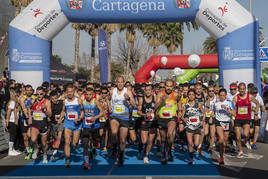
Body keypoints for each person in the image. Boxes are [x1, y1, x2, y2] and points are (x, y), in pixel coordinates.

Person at [109, 76, 135, 166]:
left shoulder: (127, 91)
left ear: (124, 83)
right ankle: (114, 147)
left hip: (124, 117)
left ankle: (120, 155)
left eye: (121, 82)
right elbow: (108, 100)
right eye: (118, 82)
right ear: (116, 83)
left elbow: (134, 105)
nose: (120, 83)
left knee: (123, 140)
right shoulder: (112, 91)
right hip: (114, 116)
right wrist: (108, 107)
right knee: (113, 132)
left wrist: (128, 99)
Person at [25, 86, 52, 164]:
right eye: (37, 94)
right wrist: (30, 117)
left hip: (44, 124)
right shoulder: (33, 101)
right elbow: (29, 108)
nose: (39, 95)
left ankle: (44, 155)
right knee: (33, 139)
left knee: (44, 143)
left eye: (41, 94)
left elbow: (50, 114)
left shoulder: (47, 102)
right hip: (35, 124)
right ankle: (36, 149)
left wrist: (44, 110)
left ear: (44, 94)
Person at [155, 79, 179, 165]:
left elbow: (179, 104)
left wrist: (179, 112)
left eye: (170, 86)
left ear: (173, 87)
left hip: (172, 118)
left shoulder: (176, 94)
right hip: (162, 118)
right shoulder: (160, 94)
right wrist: (161, 100)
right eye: (167, 86)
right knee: (163, 139)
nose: (169, 88)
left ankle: (169, 150)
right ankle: (163, 153)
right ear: (165, 86)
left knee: (170, 134)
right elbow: (155, 107)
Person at [232, 83, 259, 156]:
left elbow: (257, 103)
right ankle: (240, 150)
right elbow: (233, 108)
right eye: (240, 89)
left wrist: (256, 114)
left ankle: (246, 141)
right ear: (238, 89)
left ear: (245, 89)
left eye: (243, 89)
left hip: (246, 119)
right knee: (238, 137)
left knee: (246, 134)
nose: (242, 90)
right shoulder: (236, 98)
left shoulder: (249, 96)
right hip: (238, 119)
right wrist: (232, 116)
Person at [62, 83, 84, 167]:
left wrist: (79, 119)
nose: (69, 93)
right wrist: (61, 118)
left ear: (74, 92)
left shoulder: (78, 100)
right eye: (68, 92)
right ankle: (67, 159)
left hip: (77, 124)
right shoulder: (65, 101)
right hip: (68, 123)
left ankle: (76, 143)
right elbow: (63, 111)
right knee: (67, 142)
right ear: (66, 92)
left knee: (74, 143)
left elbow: (82, 112)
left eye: (71, 92)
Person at [81, 87, 103, 170]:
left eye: (90, 94)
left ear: (93, 95)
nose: (88, 96)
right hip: (86, 125)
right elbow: (82, 112)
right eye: (87, 94)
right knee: (85, 143)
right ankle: (86, 163)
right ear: (85, 95)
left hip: (95, 126)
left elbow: (102, 112)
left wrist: (96, 117)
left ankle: (93, 148)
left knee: (94, 143)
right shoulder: (83, 102)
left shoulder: (95, 101)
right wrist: (80, 118)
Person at [182, 89, 205, 165]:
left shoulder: (198, 104)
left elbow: (204, 113)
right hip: (189, 126)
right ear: (187, 96)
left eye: (192, 94)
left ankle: (197, 148)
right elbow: (182, 116)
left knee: (196, 144)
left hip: (197, 126)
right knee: (189, 143)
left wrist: (202, 121)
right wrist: (184, 118)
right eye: (189, 94)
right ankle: (191, 159)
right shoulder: (185, 106)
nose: (191, 96)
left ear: (195, 96)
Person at [213, 88, 235, 165]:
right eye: (220, 95)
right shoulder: (216, 103)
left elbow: (233, 113)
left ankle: (221, 148)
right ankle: (221, 157)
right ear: (218, 95)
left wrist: (225, 108)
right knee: (221, 139)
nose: (222, 97)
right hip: (219, 122)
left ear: (226, 95)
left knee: (224, 142)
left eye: (223, 95)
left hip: (227, 123)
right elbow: (213, 112)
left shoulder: (229, 103)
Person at [138, 84, 157, 164]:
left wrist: (155, 114)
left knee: (150, 140)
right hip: (144, 121)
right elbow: (138, 111)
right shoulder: (141, 99)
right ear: (144, 91)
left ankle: (146, 155)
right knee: (144, 140)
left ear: (151, 91)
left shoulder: (154, 98)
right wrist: (145, 115)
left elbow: (158, 107)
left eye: (149, 90)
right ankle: (141, 147)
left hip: (153, 122)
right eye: (146, 90)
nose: (148, 91)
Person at [18, 85, 35, 157]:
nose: (28, 92)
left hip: (32, 119)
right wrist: (26, 115)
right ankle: (28, 151)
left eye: (30, 90)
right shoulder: (22, 98)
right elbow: (23, 107)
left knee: (31, 136)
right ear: (25, 91)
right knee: (25, 137)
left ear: (32, 91)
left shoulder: (34, 98)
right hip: (24, 119)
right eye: (27, 90)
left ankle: (33, 149)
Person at [49, 90, 65, 162]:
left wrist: (61, 118)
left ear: (58, 97)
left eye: (55, 98)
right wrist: (48, 117)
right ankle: (64, 150)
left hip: (62, 122)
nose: (54, 100)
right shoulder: (50, 104)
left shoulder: (62, 102)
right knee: (57, 138)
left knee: (59, 136)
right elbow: (48, 113)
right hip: (53, 123)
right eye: (52, 99)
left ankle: (54, 154)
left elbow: (64, 110)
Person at [6, 89, 21, 156]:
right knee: (12, 135)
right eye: (15, 93)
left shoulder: (12, 101)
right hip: (12, 121)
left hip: (12, 120)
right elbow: (9, 111)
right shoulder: (12, 102)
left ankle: (12, 149)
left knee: (14, 135)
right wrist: (8, 120)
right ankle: (10, 150)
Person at [205, 86, 217, 153]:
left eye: (212, 91)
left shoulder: (216, 98)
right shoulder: (205, 98)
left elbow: (216, 108)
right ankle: (207, 143)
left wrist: (212, 116)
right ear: (207, 91)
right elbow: (206, 108)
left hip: (213, 117)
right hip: (206, 117)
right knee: (206, 133)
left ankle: (210, 148)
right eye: (210, 91)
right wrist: (208, 100)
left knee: (212, 134)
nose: (211, 92)